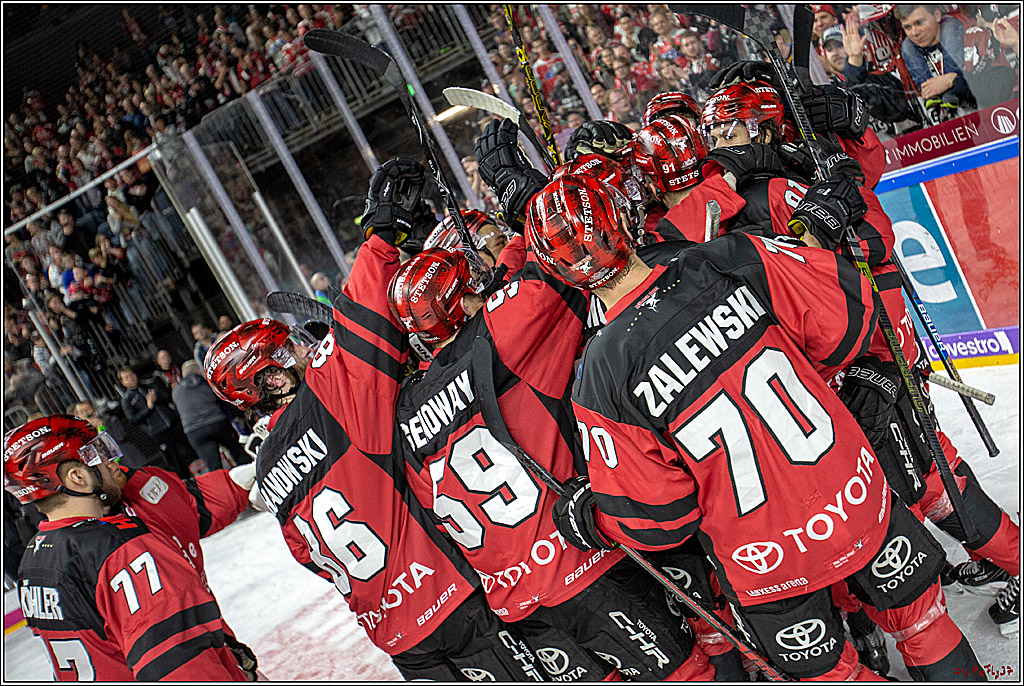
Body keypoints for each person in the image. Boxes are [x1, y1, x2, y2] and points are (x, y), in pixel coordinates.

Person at [532, 172, 985, 681]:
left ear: (563, 274)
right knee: (924, 625)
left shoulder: (599, 378)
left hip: (766, 560)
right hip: (853, 496)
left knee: (838, 675)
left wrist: (591, 516)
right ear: (629, 217)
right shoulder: (731, 257)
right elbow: (845, 321)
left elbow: (660, 517)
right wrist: (814, 234)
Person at [390, 119, 718, 680]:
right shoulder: (500, 331)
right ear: (463, 299)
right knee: (691, 667)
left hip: (515, 599)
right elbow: (567, 259)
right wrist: (522, 197)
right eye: (474, 279)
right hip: (582, 554)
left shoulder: (405, 406)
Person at [204, 158, 542, 681]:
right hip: (453, 599)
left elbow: (308, 555)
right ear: (270, 380)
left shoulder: (269, 473)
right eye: (288, 353)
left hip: (397, 636)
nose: (302, 353)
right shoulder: (328, 399)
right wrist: (380, 235)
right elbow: (362, 321)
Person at [4, 415, 252, 681]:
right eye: (97, 453)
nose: (112, 461)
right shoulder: (122, 550)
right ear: (77, 477)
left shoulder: (32, 563)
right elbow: (180, 664)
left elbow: (186, 506)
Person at [894, 4, 975, 119]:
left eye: (920, 22)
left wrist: (950, 80)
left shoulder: (969, 34)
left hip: (982, 113)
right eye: (907, 27)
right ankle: (930, 92)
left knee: (949, 27)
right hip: (947, 128)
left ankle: (951, 89)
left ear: (937, 15)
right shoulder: (907, 48)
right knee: (907, 45)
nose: (915, 32)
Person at [173, 360, 251, 473]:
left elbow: (178, 413)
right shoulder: (207, 384)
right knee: (237, 451)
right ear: (199, 371)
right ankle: (249, 477)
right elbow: (223, 401)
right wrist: (240, 413)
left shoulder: (176, 392)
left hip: (194, 431)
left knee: (214, 466)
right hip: (217, 422)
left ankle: (225, 488)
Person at [119, 365, 198, 477]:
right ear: (123, 382)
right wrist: (148, 407)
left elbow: (167, 396)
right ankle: (185, 480)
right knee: (174, 459)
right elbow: (133, 419)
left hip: (172, 423)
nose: (130, 379)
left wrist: (156, 399)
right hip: (158, 431)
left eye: (131, 375)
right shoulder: (127, 400)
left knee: (190, 447)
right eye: (126, 378)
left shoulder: (149, 385)